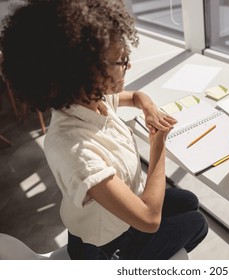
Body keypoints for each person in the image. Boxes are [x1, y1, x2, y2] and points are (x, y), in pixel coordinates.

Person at [0, 0, 208, 260]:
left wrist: (149, 107)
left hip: (114, 218)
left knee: (188, 201)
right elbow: (149, 218)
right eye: (121, 61)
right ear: (87, 73)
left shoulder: (88, 100)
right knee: (197, 224)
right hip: (103, 247)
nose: (128, 66)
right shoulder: (76, 151)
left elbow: (134, 97)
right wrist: (158, 145)